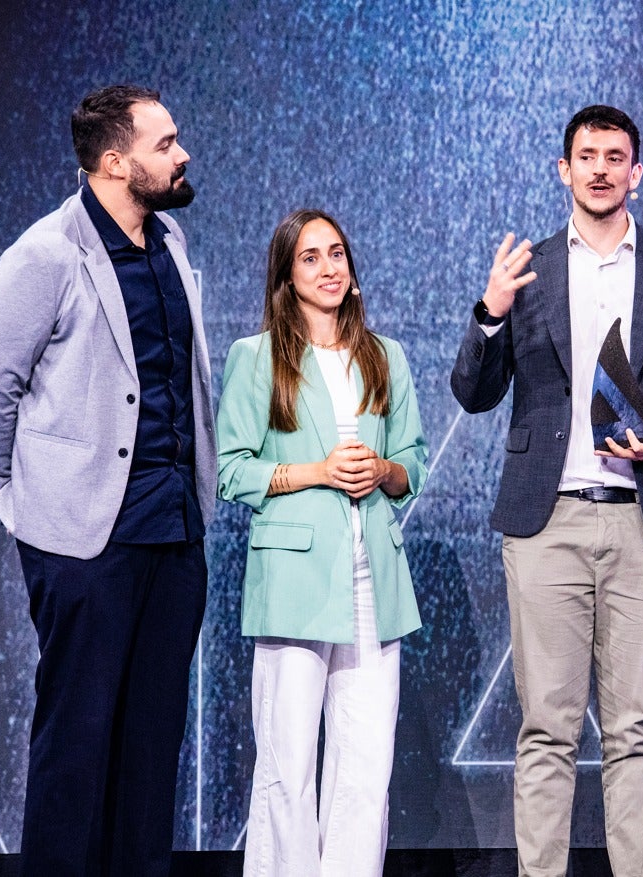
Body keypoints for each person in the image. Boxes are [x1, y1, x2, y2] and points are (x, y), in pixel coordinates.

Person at [451, 104, 643, 876]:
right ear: (564, 169)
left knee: (635, 726)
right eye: (588, 155)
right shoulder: (530, 270)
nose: (602, 168)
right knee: (546, 727)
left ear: (637, 174)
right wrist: (490, 313)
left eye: (617, 156)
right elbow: (473, 393)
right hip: (547, 522)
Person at [0, 85, 212, 875]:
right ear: (114, 162)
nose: (182, 153)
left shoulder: (168, 243)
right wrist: (17, 504)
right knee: (76, 746)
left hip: (174, 538)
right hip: (83, 546)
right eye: (165, 143)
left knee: (150, 752)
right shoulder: (45, 253)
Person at [216, 208, 428, 876]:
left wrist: (385, 470)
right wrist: (317, 471)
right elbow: (230, 470)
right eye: (310, 257)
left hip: (374, 579)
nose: (329, 267)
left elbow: (413, 463)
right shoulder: (255, 358)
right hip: (294, 583)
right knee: (287, 764)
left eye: (336, 253)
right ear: (287, 273)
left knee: (366, 767)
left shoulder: (386, 355)